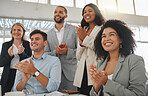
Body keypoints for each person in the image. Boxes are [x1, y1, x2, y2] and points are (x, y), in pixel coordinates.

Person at [89, 20, 147, 96]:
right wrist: (96, 87)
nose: (106, 39)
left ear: (121, 39)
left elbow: (138, 94)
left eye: (111, 35)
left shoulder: (134, 61)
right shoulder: (100, 64)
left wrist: (106, 82)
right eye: (103, 36)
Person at [13, 30, 61, 94]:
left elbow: (54, 87)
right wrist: (24, 80)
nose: (33, 41)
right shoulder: (24, 63)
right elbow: (16, 90)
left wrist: (34, 71)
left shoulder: (54, 61)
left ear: (45, 43)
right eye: (32, 39)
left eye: (37, 39)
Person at [73, 3, 105, 95]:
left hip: (96, 69)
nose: (86, 14)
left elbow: (100, 48)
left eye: (90, 11)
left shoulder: (102, 29)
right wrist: (81, 43)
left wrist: (85, 39)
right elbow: (78, 56)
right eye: (84, 12)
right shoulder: (83, 29)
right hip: (82, 73)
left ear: (97, 13)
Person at [44, 6, 77, 91]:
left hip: (70, 75)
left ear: (66, 16)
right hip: (53, 75)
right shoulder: (47, 34)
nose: (57, 14)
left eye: (60, 12)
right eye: (55, 12)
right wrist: (56, 52)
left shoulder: (75, 30)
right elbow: (45, 54)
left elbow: (80, 52)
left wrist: (67, 51)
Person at [0, 23, 32, 95]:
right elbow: (1, 63)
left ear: (23, 32)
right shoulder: (5, 45)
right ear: (11, 32)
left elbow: (30, 62)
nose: (16, 32)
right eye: (14, 30)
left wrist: (21, 54)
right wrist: (9, 55)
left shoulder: (27, 44)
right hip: (8, 75)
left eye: (19, 30)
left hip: (22, 75)